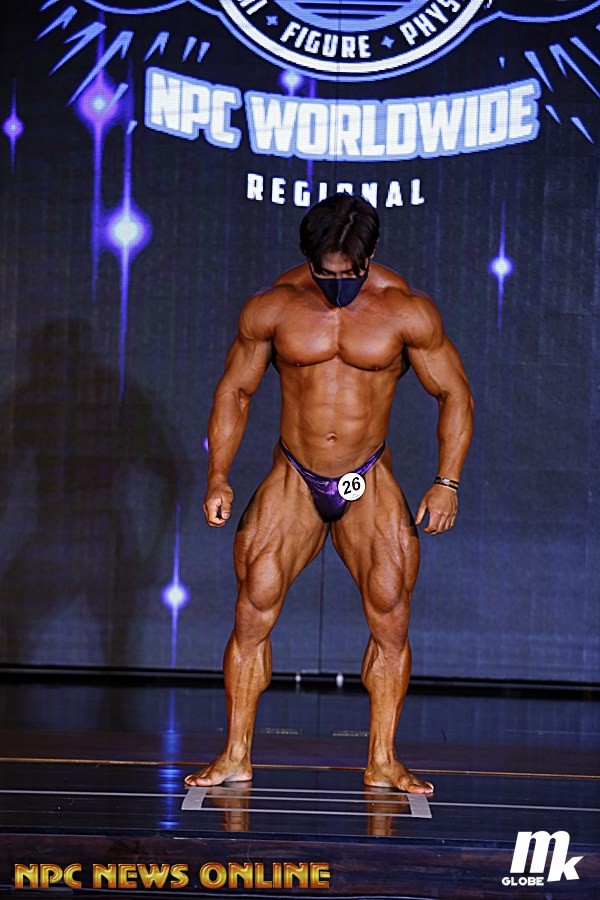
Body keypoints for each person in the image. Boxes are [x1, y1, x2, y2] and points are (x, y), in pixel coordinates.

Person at [185, 193, 474, 794]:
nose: (337, 286)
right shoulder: (273, 306)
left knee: (390, 610)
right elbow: (235, 391)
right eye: (326, 273)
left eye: (348, 274)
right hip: (294, 474)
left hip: (367, 476)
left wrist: (447, 481)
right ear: (309, 257)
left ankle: (383, 760)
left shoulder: (406, 311)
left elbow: (455, 394)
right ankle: (235, 754)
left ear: (370, 255)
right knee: (254, 604)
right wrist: (218, 475)